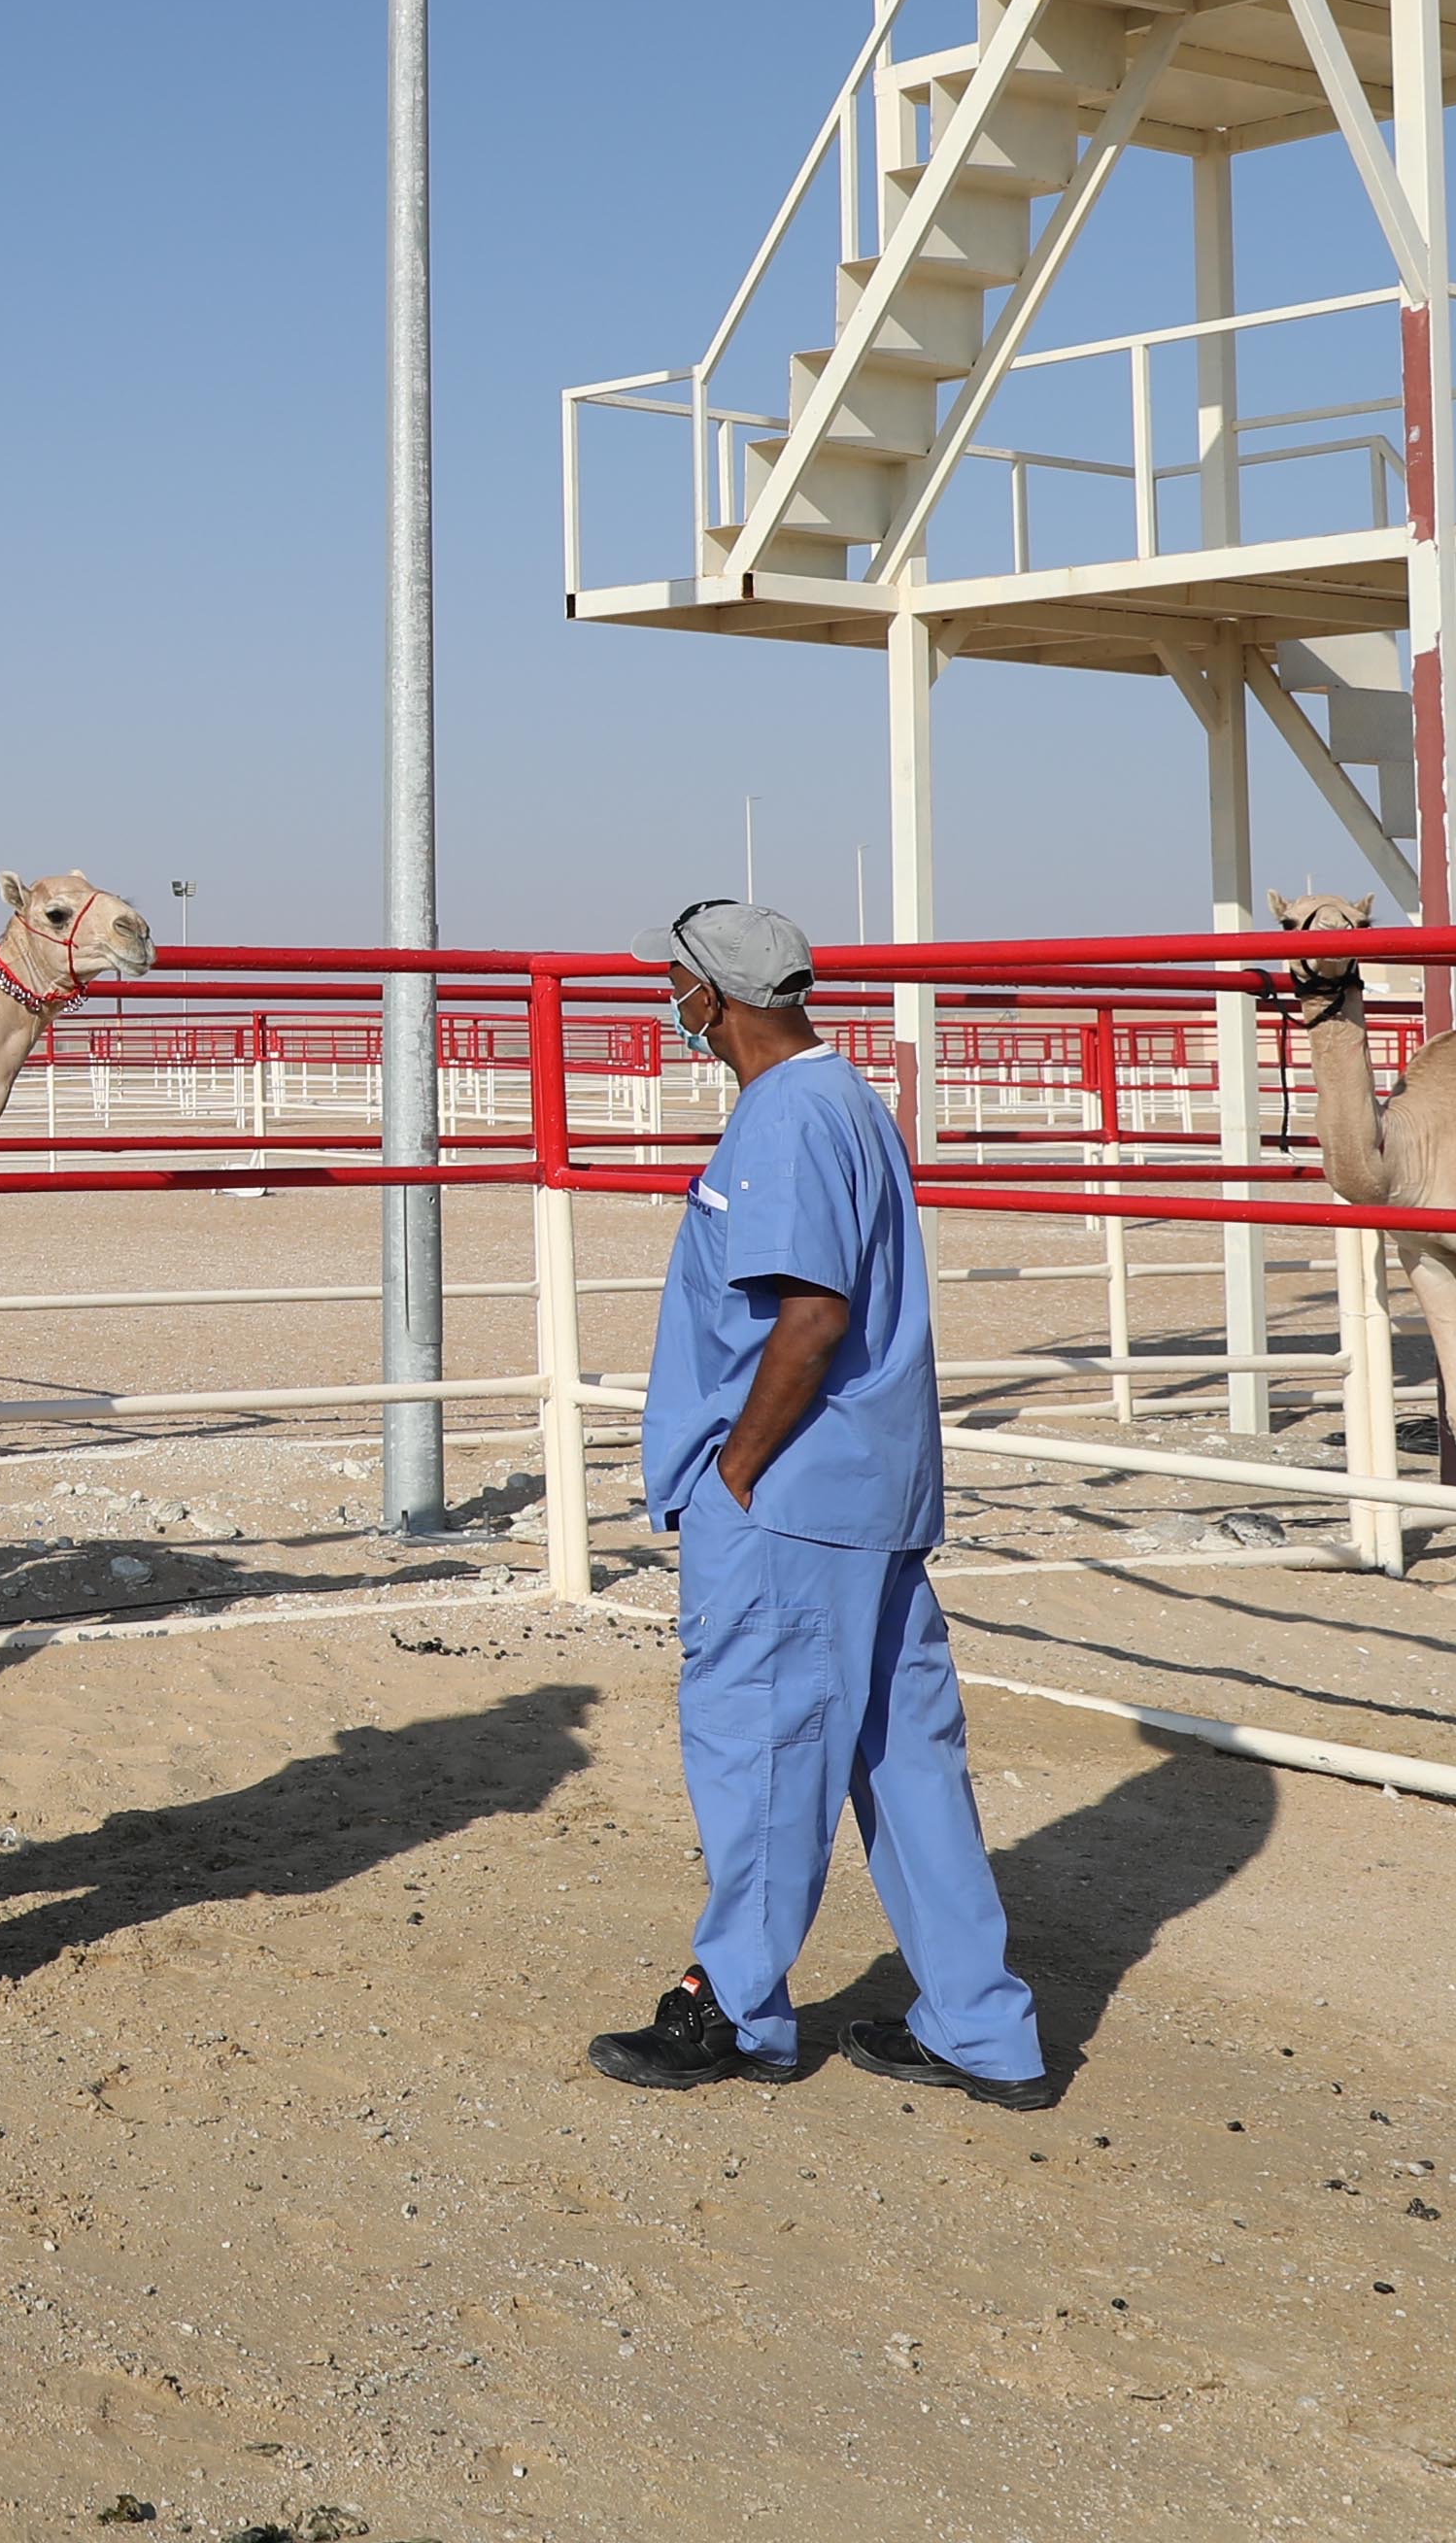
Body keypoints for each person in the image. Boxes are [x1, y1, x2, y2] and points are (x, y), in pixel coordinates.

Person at [588, 899, 1064, 2111]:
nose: (672, 1003)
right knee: (907, 1763)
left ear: (717, 996)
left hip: (792, 1504)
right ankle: (980, 2025)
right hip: (873, 1496)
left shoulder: (785, 1115)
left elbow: (810, 1318)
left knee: (760, 1747)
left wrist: (736, 1465)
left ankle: (737, 2012)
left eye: (679, 984)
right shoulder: (850, 1099)